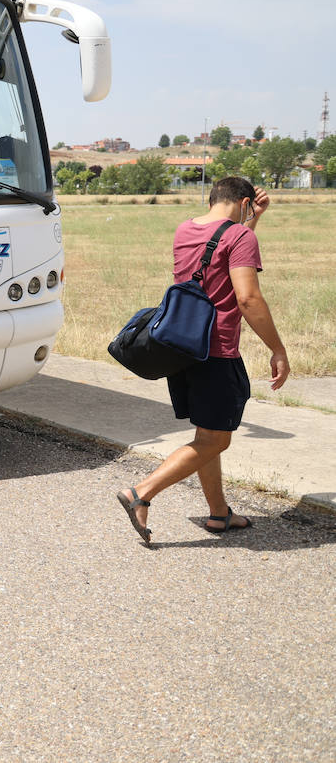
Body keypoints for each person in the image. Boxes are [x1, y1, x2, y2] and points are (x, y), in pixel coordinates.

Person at [116, 177, 289, 544]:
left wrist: (250, 221)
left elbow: (219, 253)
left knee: (206, 433)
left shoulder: (186, 230)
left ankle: (218, 514)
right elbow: (248, 299)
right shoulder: (241, 237)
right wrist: (278, 349)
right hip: (216, 351)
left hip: (182, 349)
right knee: (215, 440)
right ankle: (141, 493)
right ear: (244, 202)